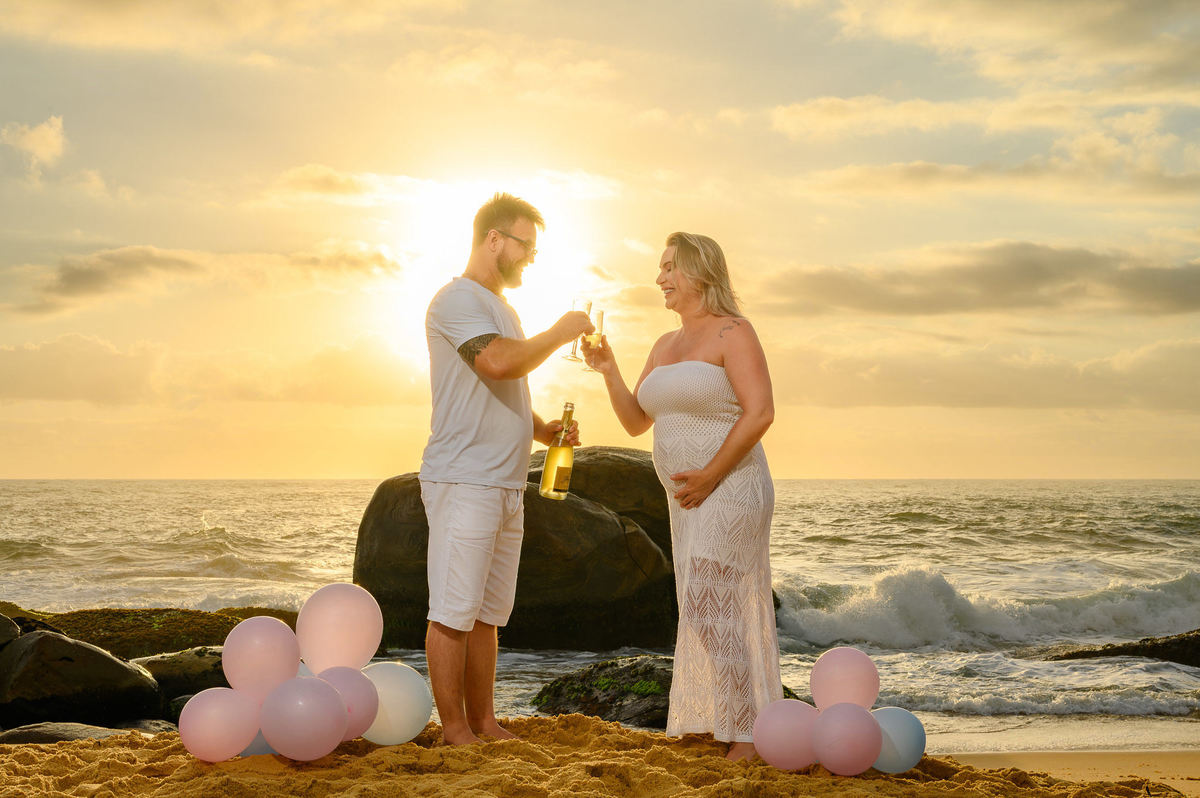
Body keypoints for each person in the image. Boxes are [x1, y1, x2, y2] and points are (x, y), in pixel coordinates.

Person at [582, 232, 781, 761]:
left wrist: (713, 473)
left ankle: (746, 734)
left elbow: (759, 411)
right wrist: (608, 370)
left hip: (732, 486)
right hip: (687, 497)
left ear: (700, 272)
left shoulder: (733, 331)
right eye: (660, 268)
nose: (659, 278)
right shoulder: (663, 346)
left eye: (669, 267)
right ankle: (737, 720)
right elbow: (633, 421)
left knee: (708, 601)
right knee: (706, 607)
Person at [419, 192, 593, 745]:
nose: (531, 257)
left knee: (488, 615)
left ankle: (484, 722)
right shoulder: (454, 300)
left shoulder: (503, 309)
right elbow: (495, 362)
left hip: (505, 483)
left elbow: (506, 383)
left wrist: (543, 432)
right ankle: (453, 731)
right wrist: (562, 331)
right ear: (494, 239)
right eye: (526, 245)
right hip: (464, 478)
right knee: (452, 611)